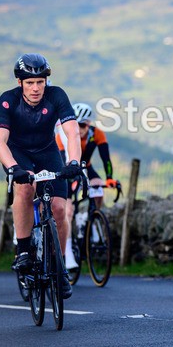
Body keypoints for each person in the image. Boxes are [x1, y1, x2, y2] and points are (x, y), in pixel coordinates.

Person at [0, 54, 82, 299]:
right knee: (25, 188)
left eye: (40, 82)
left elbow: (72, 132)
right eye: (30, 82)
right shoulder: (8, 100)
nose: (35, 88)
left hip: (47, 151)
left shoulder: (57, 96)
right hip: (17, 153)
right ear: (19, 82)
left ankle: (60, 266)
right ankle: (23, 250)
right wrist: (12, 167)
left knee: (60, 209)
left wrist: (74, 161)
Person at [56, 102, 119, 269]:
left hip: (87, 167)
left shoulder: (97, 133)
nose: (80, 128)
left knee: (98, 186)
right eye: (76, 124)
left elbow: (106, 158)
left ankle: (93, 217)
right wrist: (75, 179)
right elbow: (63, 159)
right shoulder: (63, 135)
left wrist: (110, 177)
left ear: (89, 124)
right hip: (66, 169)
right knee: (68, 211)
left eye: (83, 125)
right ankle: (68, 252)